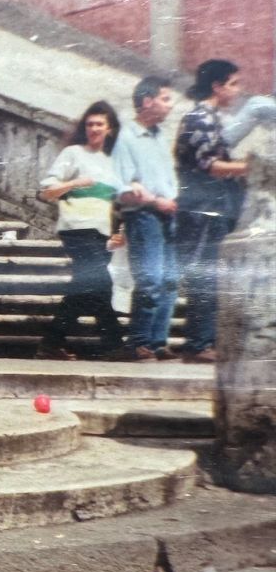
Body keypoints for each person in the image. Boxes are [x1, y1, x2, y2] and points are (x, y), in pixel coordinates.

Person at [33, 102, 126, 360]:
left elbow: (117, 203)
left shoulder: (113, 162)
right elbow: (46, 191)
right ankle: (114, 343)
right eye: (90, 124)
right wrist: (75, 182)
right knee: (100, 281)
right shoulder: (73, 153)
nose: (94, 129)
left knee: (87, 286)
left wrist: (119, 231)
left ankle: (52, 343)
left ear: (110, 129)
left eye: (99, 124)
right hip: (76, 228)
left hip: (101, 232)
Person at [173, 59, 249, 364]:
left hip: (214, 208)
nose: (238, 90)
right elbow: (211, 166)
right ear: (217, 86)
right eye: (233, 84)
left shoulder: (214, 118)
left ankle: (205, 341)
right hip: (202, 210)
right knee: (204, 276)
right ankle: (198, 344)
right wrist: (250, 166)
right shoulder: (200, 118)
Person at [113, 75, 180, 361]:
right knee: (150, 278)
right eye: (165, 99)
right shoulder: (126, 138)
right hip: (144, 216)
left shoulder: (160, 136)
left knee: (170, 280)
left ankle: (157, 341)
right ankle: (139, 341)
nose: (171, 105)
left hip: (168, 214)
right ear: (147, 101)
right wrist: (155, 200)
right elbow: (123, 187)